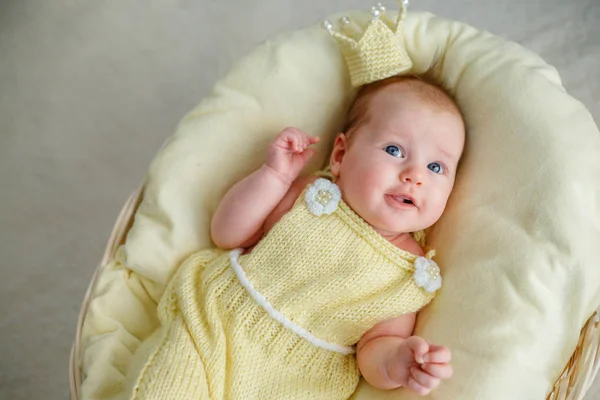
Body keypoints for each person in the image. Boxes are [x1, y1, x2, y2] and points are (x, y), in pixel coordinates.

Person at [123, 74, 466, 400]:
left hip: (301, 379)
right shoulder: (310, 196)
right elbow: (226, 234)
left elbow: (375, 349)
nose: (414, 176)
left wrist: (397, 362)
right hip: (219, 322)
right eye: (394, 150)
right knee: (166, 387)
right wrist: (273, 176)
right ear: (340, 156)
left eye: (436, 168)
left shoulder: (407, 273)